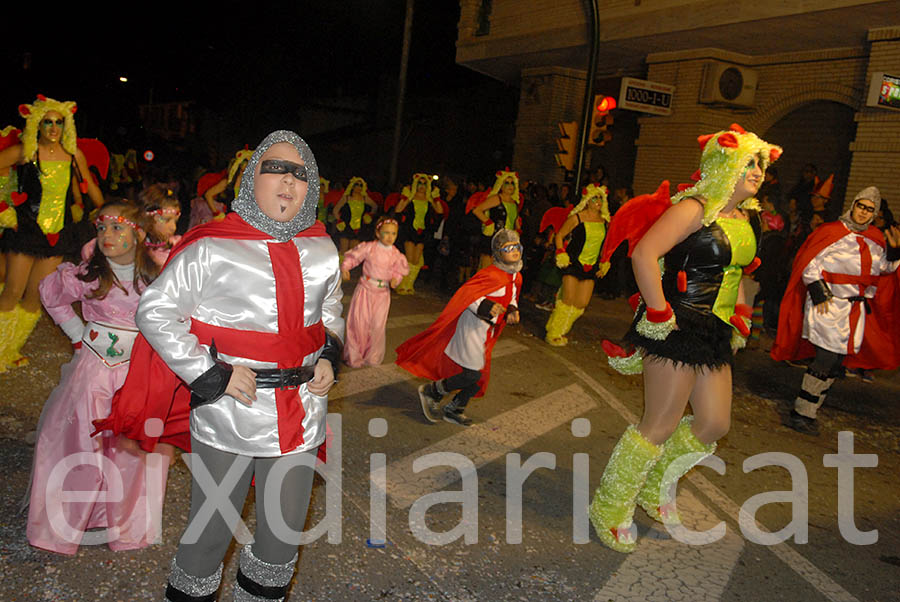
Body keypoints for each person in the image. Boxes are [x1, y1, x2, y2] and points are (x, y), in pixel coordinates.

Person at [95, 131, 343, 601]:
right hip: (230, 412)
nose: (289, 181)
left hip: (302, 413)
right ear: (251, 180)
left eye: (301, 173)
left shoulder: (322, 249)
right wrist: (212, 375)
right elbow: (156, 311)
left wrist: (330, 353)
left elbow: (329, 310)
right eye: (277, 169)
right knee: (210, 535)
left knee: (282, 539)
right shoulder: (212, 246)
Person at [592, 123, 781, 552]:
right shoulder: (693, 208)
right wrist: (659, 312)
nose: (756, 171)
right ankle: (609, 506)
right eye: (747, 162)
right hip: (676, 326)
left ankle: (655, 485)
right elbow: (644, 254)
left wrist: (742, 316)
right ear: (722, 164)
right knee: (659, 423)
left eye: (760, 164)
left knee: (715, 422)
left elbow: (739, 274)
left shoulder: (745, 217)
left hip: (715, 331)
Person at [26, 199, 165, 554]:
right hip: (94, 368)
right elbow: (51, 296)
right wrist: (75, 333)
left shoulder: (158, 276)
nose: (107, 235)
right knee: (79, 440)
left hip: (137, 373)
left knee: (131, 447)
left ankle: (125, 524)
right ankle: (63, 523)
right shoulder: (88, 274)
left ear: (137, 234)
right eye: (101, 228)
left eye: (117, 227)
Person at [772, 186, 900, 435]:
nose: (863, 212)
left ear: (874, 214)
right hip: (827, 303)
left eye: (869, 209)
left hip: (855, 309)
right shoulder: (830, 232)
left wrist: (895, 253)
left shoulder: (875, 238)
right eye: (861, 206)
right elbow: (809, 264)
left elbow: (884, 268)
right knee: (826, 357)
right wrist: (820, 292)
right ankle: (801, 411)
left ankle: (811, 409)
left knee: (836, 363)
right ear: (853, 205)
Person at [0, 95, 104, 372]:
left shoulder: (73, 155)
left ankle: (10, 348)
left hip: (57, 234)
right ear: (37, 124)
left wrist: (109, 212)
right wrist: (3, 208)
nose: (53, 128)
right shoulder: (26, 151)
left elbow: (89, 185)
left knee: (35, 297)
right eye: (47, 122)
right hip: (24, 231)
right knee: (12, 290)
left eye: (59, 122)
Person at [396, 229, 522, 427]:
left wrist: (512, 309)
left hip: (487, 331)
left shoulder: (515, 275)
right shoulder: (490, 274)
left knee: (480, 377)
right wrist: (488, 306)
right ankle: (433, 391)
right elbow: (467, 295)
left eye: (517, 247)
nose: (514, 251)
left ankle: (455, 408)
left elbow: (511, 295)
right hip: (472, 327)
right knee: (473, 374)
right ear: (498, 252)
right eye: (508, 248)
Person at [544, 184, 611, 346]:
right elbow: (559, 235)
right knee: (568, 299)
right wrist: (560, 252)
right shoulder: (577, 218)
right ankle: (554, 333)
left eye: (601, 198)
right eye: (595, 198)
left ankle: (558, 327)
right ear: (587, 200)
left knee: (581, 303)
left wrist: (604, 262)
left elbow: (606, 246)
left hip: (591, 267)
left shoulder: (605, 222)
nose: (598, 201)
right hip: (574, 263)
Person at [340, 217, 409, 367]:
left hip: (382, 293)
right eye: (386, 233)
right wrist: (345, 267)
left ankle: (373, 356)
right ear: (378, 234)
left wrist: (396, 280)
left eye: (394, 233)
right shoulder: (369, 247)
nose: (390, 237)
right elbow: (354, 257)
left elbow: (399, 271)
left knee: (377, 325)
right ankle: (354, 356)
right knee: (359, 322)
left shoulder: (396, 254)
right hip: (365, 289)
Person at [392, 173, 444, 295]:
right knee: (409, 258)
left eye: (425, 184)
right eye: (420, 183)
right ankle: (402, 285)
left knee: (416, 261)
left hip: (422, 232)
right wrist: (406, 197)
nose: (422, 186)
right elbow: (398, 210)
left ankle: (408, 284)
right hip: (409, 230)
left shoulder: (428, 199)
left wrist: (435, 198)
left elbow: (440, 211)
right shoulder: (411, 197)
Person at [469, 168, 522, 270]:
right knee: (488, 270)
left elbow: (515, 220)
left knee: (502, 272)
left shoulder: (514, 203)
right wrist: (488, 222)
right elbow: (477, 210)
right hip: (493, 239)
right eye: (507, 183)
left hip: (508, 242)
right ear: (501, 185)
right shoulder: (496, 199)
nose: (510, 186)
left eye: (512, 183)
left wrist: (518, 231)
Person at [332, 176, 378, 255]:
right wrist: (339, 221)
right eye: (357, 184)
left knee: (353, 254)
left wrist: (369, 216)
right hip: (346, 227)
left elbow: (375, 206)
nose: (359, 187)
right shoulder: (346, 198)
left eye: (361, 185)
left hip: (358, 229)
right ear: (352, 186)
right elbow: (335, 210)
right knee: (343, 252)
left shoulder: (364, 198)